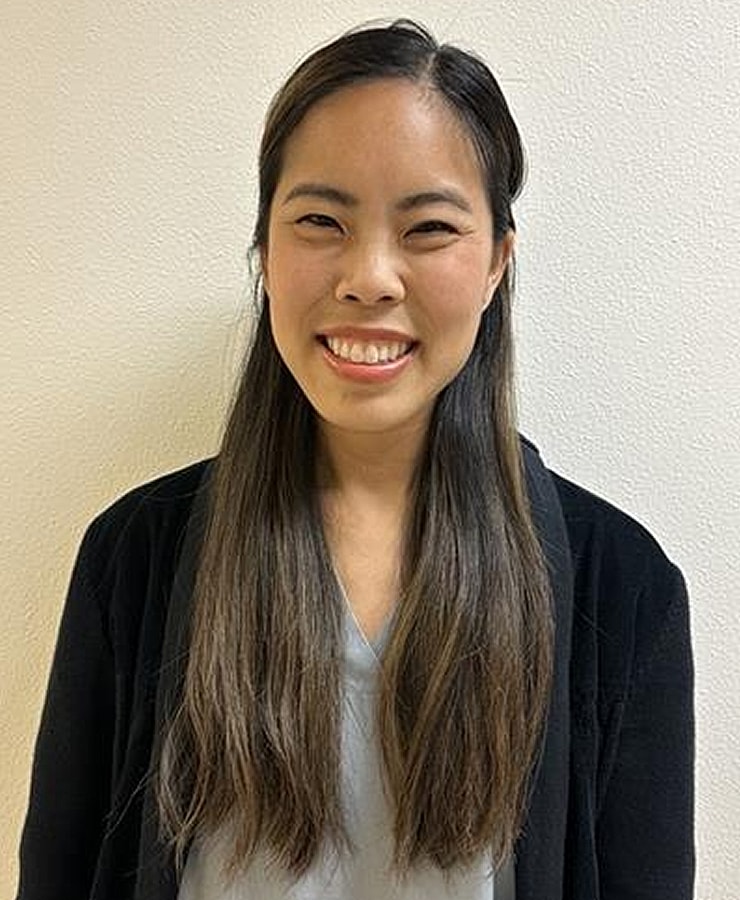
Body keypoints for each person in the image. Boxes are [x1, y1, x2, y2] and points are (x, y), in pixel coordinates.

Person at [16, 19, 694, 900]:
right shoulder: (133, 559)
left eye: (429, 228)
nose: (370, 275)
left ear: (497, 263)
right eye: (321, 221)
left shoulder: (625, 590)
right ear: (265, 249)